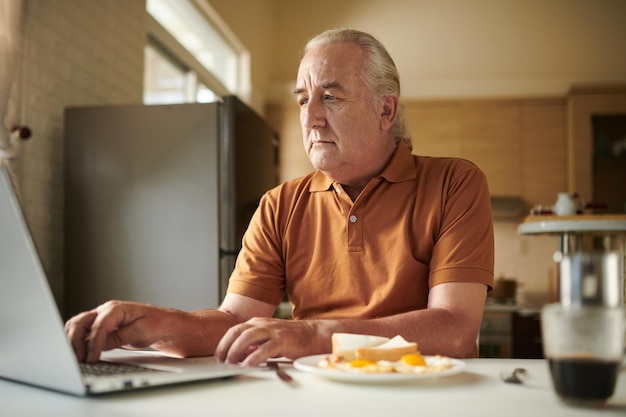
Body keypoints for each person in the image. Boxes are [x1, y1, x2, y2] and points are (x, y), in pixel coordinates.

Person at [65, 28, 494, 367]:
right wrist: (154, 324)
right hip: (312, 396)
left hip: (422, 397)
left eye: (330, 96)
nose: (310, 118)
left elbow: (454, 330)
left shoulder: (455, 182)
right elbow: (233, 321)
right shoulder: (280, 204)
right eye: (304, 99)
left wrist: (312, 335)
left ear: (386, 111)